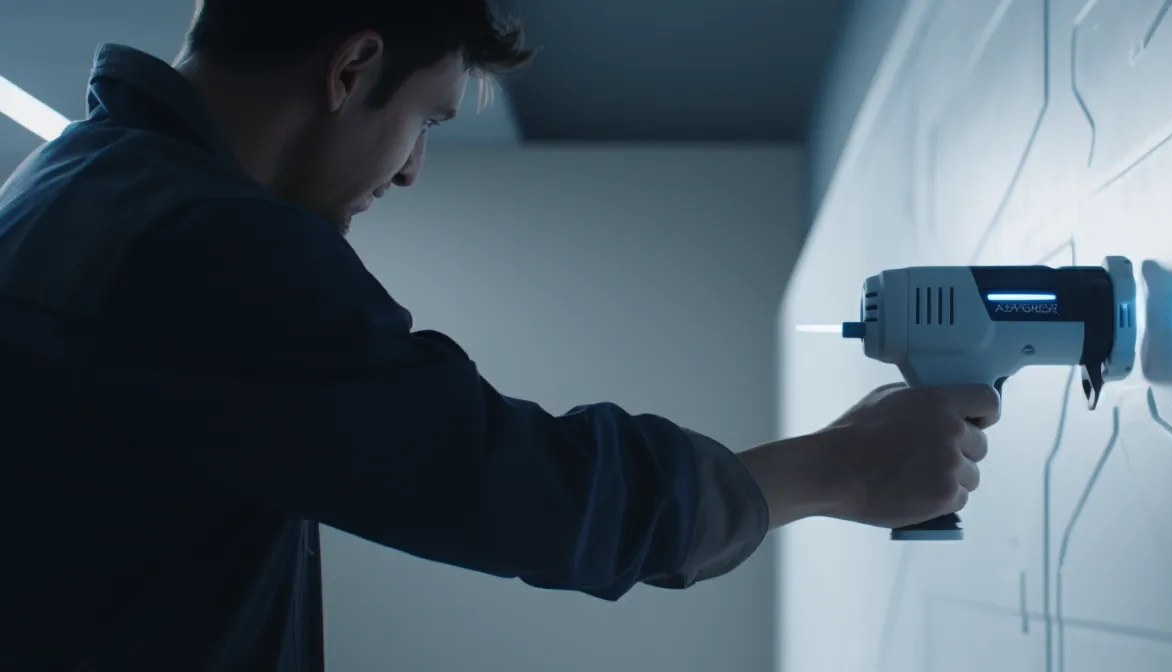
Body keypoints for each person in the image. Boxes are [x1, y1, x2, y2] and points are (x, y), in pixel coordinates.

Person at [0, 1, 999, 669]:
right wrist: (845, 471)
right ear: (351, 67)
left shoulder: (77, 188)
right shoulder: (195, 240)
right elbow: (524, 489)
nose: (410, 171)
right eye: (428, 117)